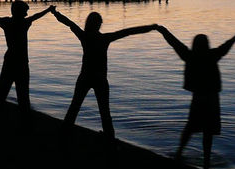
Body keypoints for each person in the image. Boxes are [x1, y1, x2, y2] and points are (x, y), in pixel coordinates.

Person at [52, 9, 159, 146]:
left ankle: (64, 135)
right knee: (104, 112)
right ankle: (109, 139)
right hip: (100, 79)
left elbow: (69, 23)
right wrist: (151, 27)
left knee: (74, 107)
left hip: (85, 77)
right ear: (99, 24)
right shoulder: (104, 38)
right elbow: (128, 32)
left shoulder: (85, 36)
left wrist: (55, 13)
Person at [157, 25, 235, 169]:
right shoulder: (212, 55)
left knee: (190, 127)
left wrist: (163, 31)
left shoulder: (189, 56)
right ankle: (206, 162)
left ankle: (179, 153)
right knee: (208, 131)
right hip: (212, 99)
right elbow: (226, 46)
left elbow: (174, 42)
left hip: (198, 98)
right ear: (207, 44)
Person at [0, 1, 54, 122]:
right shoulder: (24, 23)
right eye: (25, 11)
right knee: (22, 93)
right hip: (21, 62)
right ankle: (24, 119)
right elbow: (37, 16)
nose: (27, 14)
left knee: (2, 90)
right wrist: (48, 10)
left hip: (9, 60)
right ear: (20, 11)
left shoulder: (7, 22)